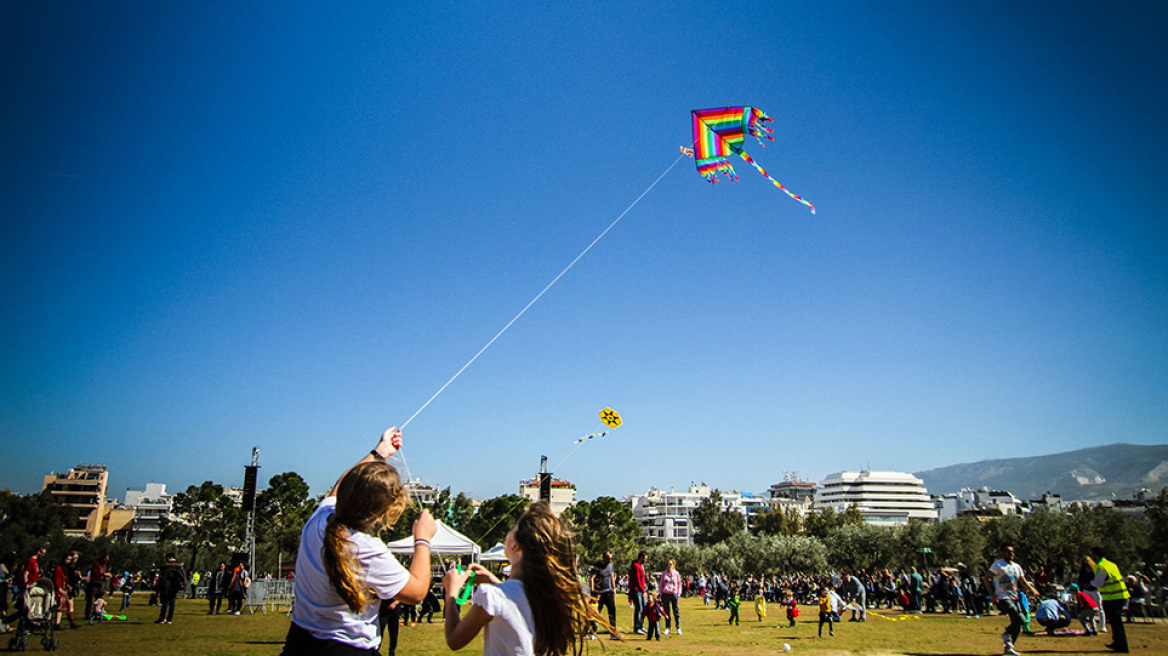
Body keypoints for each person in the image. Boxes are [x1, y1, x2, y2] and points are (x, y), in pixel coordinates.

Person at [280, 427, 435, 655]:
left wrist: (379, 452)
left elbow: (339, 487)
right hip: (347, 649)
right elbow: (417, 592)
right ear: (384, 513)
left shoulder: (319, 521)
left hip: (300, 644)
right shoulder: (367, 550)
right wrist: (423, 539)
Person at [441, 501, 607, 656]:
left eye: (513, 528)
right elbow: (515, 603)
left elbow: (455, 640)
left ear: (515, 545)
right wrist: (495, 582)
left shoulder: (490, 596)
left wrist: (451, 593)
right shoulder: (543, 596)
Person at [981, 545, 1040, 656]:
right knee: (1020, 618)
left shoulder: (1017, 567)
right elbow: (986, 578)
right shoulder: (998, 565)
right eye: (1009, 552)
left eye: (1013, 552)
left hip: (1015, 597)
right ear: (1003, 553)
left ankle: (1009, 647)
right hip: (1003, 598)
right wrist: (992, 594)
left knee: (1017, 623)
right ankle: (1007, 634)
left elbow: (1022, 581)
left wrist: (1031, 588)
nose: (1011, 554)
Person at [1091, 546, 1129, 653]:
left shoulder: (1101, 566)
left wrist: (1091, 583)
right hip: (1120, 596)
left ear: (1096, 555)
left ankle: (1121, 646)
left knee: (1116, 623)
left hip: (1112, 597)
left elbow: (1099, 582)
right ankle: (1117, 643)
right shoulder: (1111, 564)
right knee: (1116, 622)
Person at [588, 551, 617, 636]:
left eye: (611, 558)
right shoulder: (597, 566)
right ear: (603, 558)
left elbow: (612, 576)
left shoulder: (610, 566)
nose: (610, 560)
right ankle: (590, 630)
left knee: (612, 611)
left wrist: (614, 588)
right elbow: (592, 578)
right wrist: (592, 591)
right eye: (608, 558)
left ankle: (613, 631)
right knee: (595, 613)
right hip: (598, 593)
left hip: (608, 592)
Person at [155, 553, 187, 624]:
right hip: (175, 587)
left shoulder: (168, 567)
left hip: (167, 587)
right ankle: (169, 619)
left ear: (169, 558)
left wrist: (159, 587)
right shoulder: (179, 566)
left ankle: (162, 618)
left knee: (165, 603)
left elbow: (164, 578)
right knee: (172, 602)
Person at [53, 551, 81, 629]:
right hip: (60, 589)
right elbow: (57, 579)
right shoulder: (59, 568)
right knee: (60, 606)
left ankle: (69, 621)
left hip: (65, 588)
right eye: (67, 559)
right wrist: (59, 588)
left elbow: (67, 578)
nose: (68, 561)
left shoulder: (67, 568)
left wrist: (68, 585)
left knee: (67, 605)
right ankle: (57, 623)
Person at [658, 559, 682, 636]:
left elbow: (679, 584)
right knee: (666, 611)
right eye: (668, 564)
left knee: (676, 611)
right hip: (665, 594)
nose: (669, 565)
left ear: (673, 565)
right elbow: (661, 584)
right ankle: (667, 628)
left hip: (673, 593)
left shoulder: (676, 574)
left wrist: (678, 593)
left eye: (671, 564)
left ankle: (678, 628)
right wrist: (661, 593)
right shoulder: (663, 574)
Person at [627, 551, 647, 634]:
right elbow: (637, 580)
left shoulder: (641, 566)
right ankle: (637, 627)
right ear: (641, 558)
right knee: (639, 608)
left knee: (643, 608)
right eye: (645, 558)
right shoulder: (636, 566)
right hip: (637, 590)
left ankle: (641, 626)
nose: (646, 560)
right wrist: (642, 590)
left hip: (641, 589)